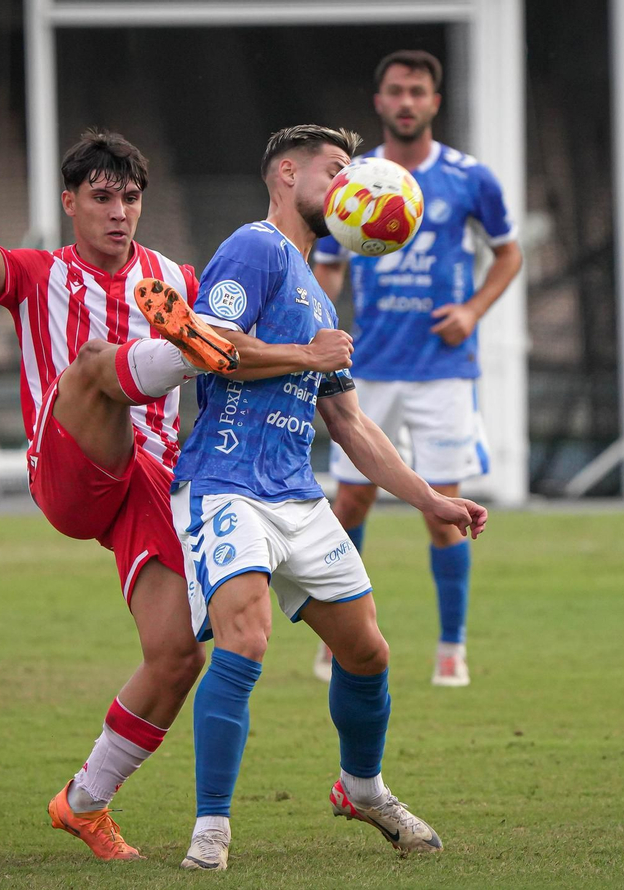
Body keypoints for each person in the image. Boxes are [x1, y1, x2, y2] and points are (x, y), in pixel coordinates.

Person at [0, 129, 353, 860]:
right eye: (101, 197)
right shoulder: (36, 274)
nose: (119, 211)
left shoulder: (178, 275)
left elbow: (256, 340)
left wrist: (310, 321)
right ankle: (181, 351)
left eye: (131, 197)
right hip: (69, 464)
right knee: (92, 366)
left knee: (178, 655)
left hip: (150, 479)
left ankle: (84, 801)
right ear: (70, 202)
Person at [157, 124, 488, 871]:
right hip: (225, 482)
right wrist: (306, 354)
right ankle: (210, 832)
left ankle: (362, 787)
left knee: (368, 652)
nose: (348, 184)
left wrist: (430, 499)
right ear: (285, 172)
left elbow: (348, 424)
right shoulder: (255, 247)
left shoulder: (317, 291)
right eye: (336, 168)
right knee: (245, 639)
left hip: (296, 496)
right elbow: (203, 344)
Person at [311, 50, 522, 685]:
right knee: (351, 500)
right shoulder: (356, 179)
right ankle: (341, 638)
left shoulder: (468, 178)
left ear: (435, 102)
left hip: (443, 367)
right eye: (396, 91)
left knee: (443, 508)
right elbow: (328, 262)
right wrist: (322, 316)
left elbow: (508, 254)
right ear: (379, 102)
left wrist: (474, 310)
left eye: (418, 92)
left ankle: (451, 646)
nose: (407, 101)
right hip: (367, 366)